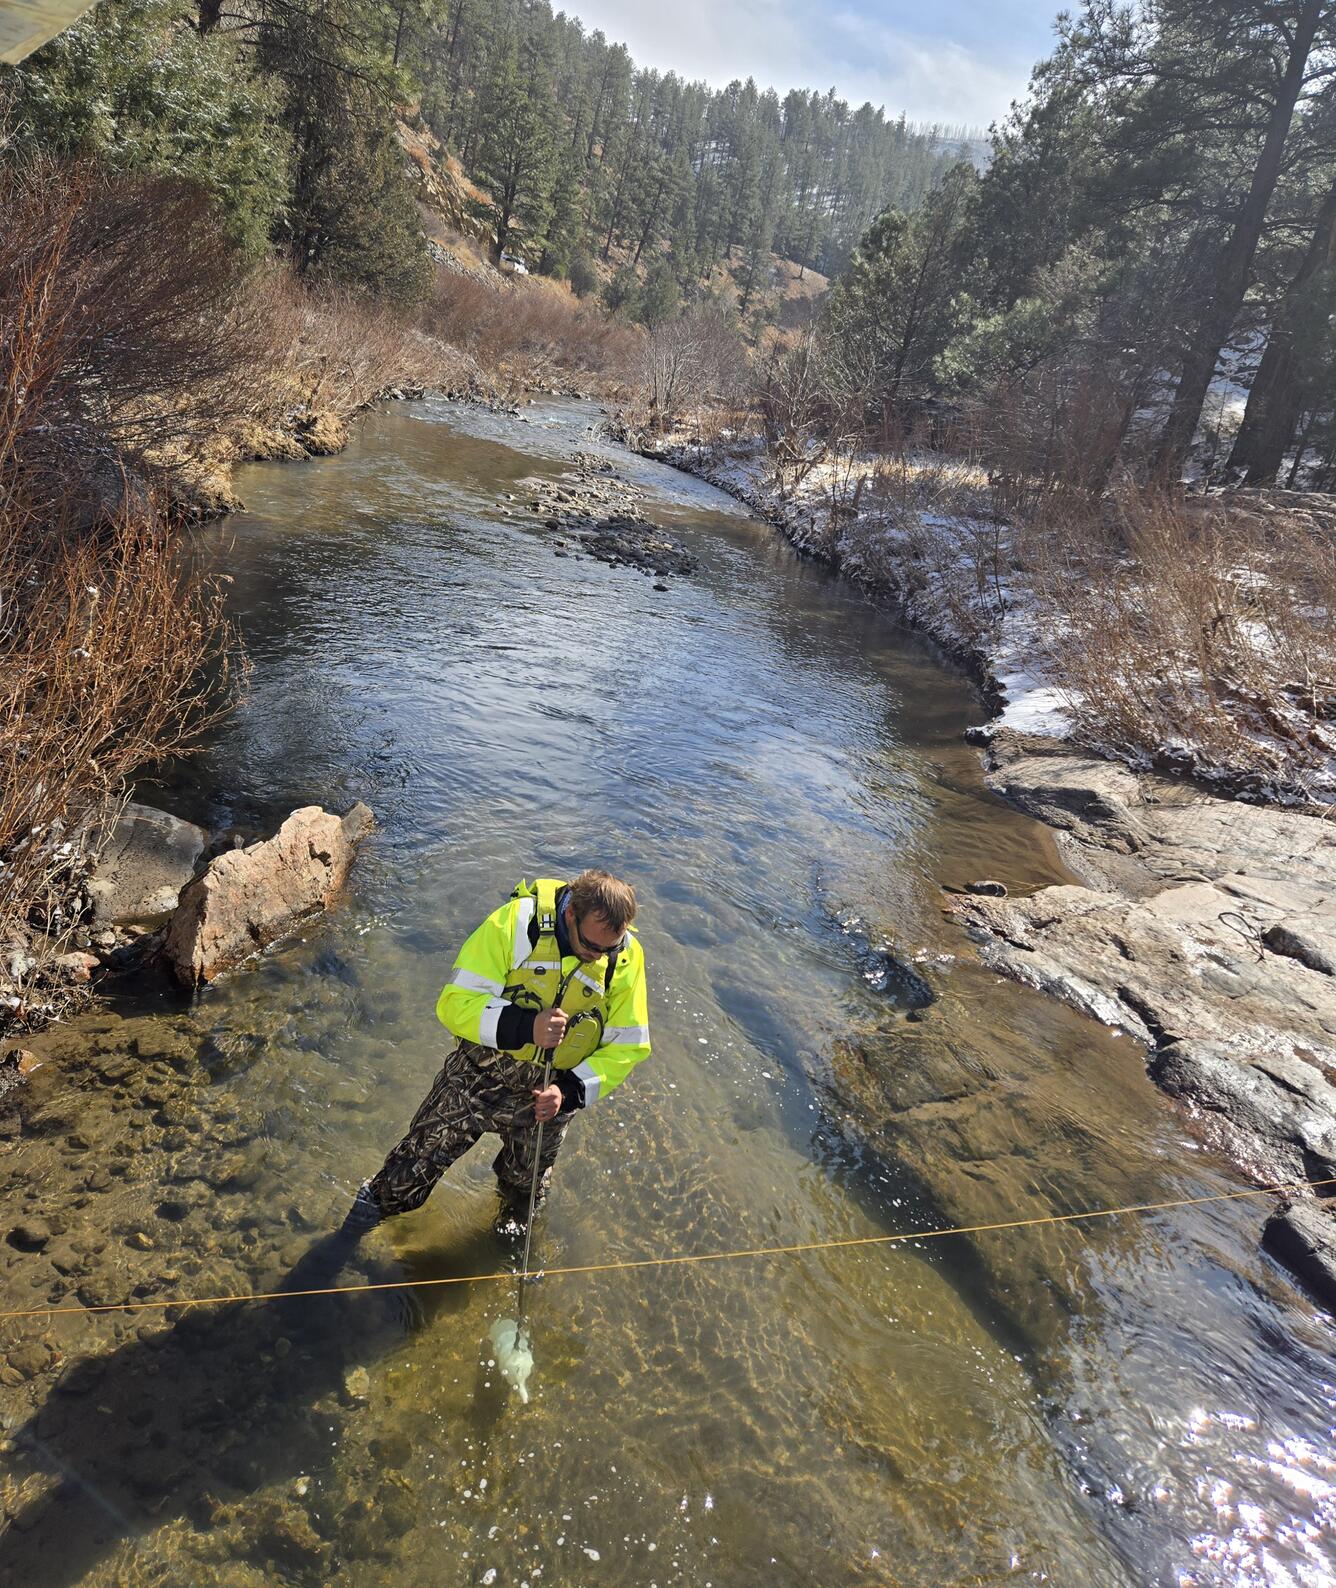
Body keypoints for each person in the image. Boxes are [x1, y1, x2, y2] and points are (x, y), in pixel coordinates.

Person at [345, 870, 650, 1233]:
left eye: (608, 949)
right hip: (476, 1076)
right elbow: (454, 1005)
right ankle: (346, 1240)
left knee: (524, 1194)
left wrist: (568, 1092)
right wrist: (527, 1027)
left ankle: (503, 1255)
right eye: (591, 945)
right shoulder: (516, 924)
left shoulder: (625, 956)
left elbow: (627, 1047)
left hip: (547, 1098)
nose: (597, 957)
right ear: (571, 914)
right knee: (407, 1172)